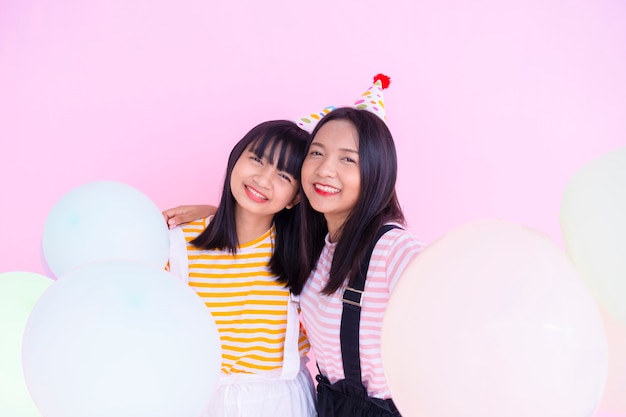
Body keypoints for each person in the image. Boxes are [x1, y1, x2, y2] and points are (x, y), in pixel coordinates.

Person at [166, 120, 316, 417]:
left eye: (284, 175)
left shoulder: (305, 253)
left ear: (296, 198)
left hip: (280, 403)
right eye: (257, 159)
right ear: (236, 158)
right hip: (196, 400)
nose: (263, 178)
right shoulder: (179, 243)